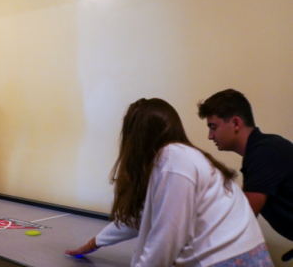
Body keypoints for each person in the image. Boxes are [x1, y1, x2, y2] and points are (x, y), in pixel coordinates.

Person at [65, 98, 272, 266]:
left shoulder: (173, 159)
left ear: (136, 136)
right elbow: (140, 219)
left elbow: (164, 241)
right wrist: (94, 243)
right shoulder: (177, 158)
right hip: (246, 256)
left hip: (229, 261)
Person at [198, 89, 293, 252]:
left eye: (213, 127)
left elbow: (243, 216)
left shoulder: (265, 152)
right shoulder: (259, 152)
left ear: (236, 123)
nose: (210, 136)